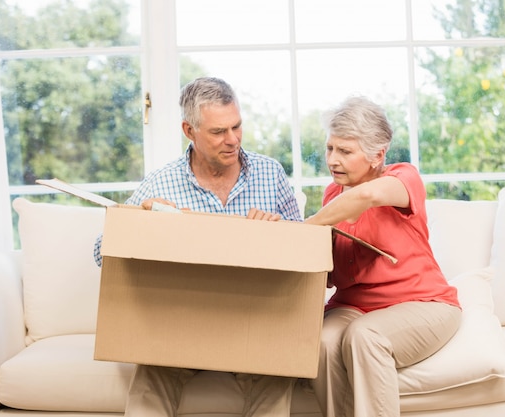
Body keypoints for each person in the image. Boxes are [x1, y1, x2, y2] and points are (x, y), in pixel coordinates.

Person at [94, 77, 301, 417]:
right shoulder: (162, 182)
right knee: (150, 382)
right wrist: (144, 225)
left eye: (237, 127)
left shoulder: (270, 173)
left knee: (279, 377)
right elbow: (102, 252)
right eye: (218, 132)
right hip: (181, 325)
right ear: (189, 131)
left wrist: (279, 235)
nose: (232, 140)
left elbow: (304, 252)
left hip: (253, 323)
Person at [304, 96, 462, 417]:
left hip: (422, 305)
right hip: (353, 306)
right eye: (330, 148)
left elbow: (368, 195)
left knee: (366, 336)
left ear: (378, 154)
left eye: (345, 151)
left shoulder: (403, 179)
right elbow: (331, 273)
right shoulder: (332, 194)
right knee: (321, 342)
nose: (333, 160)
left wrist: (305, 227)